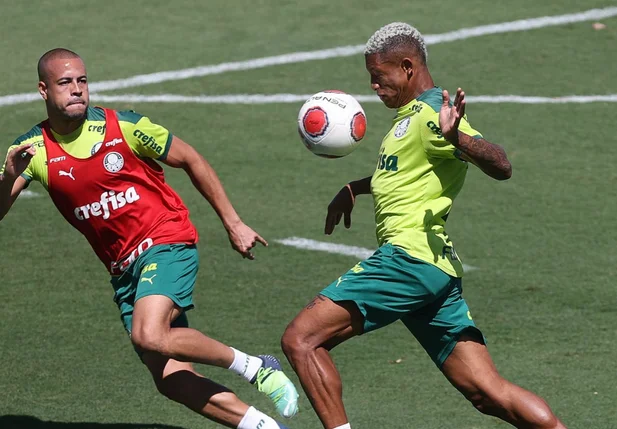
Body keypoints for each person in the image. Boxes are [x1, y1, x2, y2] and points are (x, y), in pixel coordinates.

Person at [281, 23, 566, 429]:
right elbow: (402, 173)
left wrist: (460, 139)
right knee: (487, 392)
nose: (375, 89)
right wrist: (354, 188)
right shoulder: (410, 116)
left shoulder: (435, 114)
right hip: (434, 268)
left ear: (408, 66)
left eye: (379, 78)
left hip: (407, 260)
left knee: (301, 339)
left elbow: (501, 164)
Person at [0, 48, 298, 429]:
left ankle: (257, 367)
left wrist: (233, 222)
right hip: (124, 269)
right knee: (172, 379)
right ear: (44, 90)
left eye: (82, 81)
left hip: (166, 240)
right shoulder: (32, 149)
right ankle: (265, 427)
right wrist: (8, 177)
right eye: (64, 83)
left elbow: (190, 158)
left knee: (149, 333)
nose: (76, 90)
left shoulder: (123, 126)